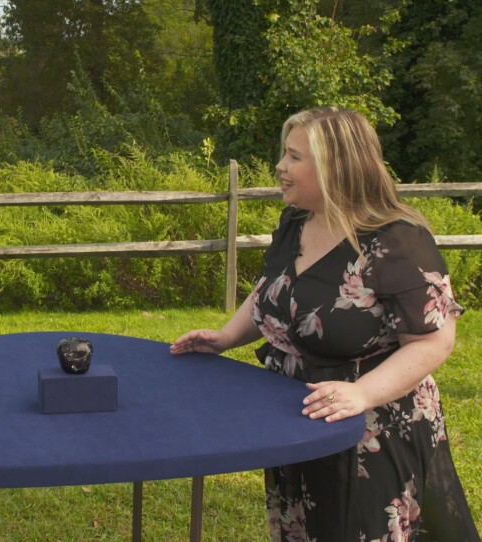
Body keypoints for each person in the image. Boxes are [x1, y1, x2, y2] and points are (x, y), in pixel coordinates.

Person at [170, 108, 480, 541]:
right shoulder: (295, 222)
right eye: (285, 153)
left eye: (294, 157)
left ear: (338, 168)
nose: (280, 166)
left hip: (373, 429)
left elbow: (434, 342)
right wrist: (228, 336)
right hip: (298, 416)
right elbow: (272, 289)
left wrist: (361, 393)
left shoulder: (396, 240)